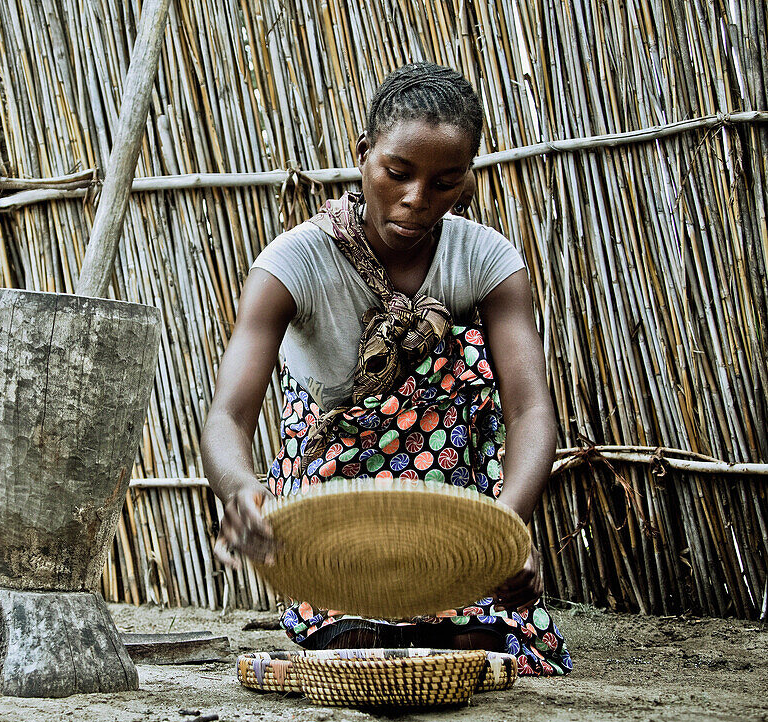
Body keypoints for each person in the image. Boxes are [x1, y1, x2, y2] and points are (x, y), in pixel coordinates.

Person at [200, 62, 571, 676]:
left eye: (446, 182)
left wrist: (505, 530)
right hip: (337, 514)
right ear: (364, 152)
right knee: (356, 638)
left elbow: (530, 407)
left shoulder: (485, 260)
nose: (417, 200)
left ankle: (457, 601)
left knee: (475, 642)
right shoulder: (292, 265)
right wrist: (244, 493)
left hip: (453, 518)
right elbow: (228, 415)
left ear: (468, 178)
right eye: (397, 173)